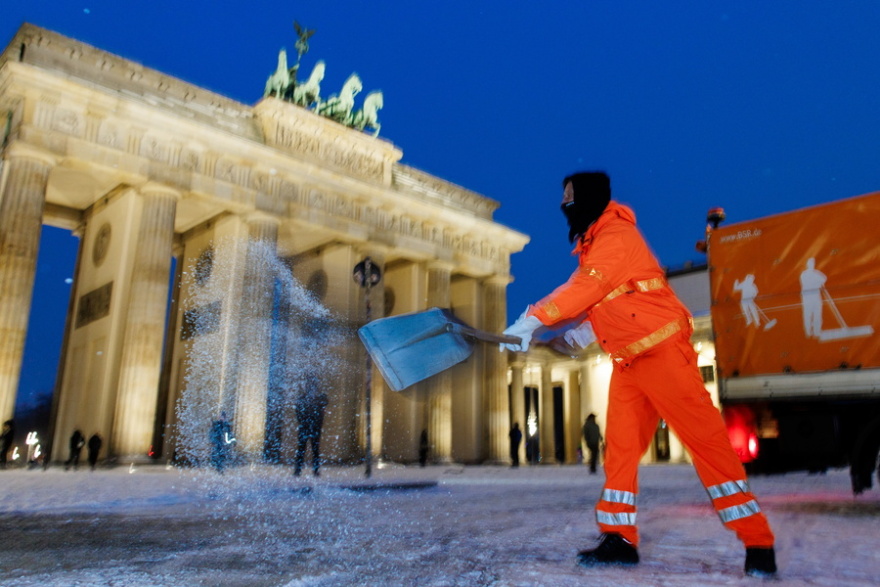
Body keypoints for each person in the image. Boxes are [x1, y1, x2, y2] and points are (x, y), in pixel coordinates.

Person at [500, 171, 777, 577]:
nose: (563, 205)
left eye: (569, 197)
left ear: (589, 198)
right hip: (629, 361)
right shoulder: (597, 243)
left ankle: (758, 542)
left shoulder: (616, 236)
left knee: (708, 447)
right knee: (621, 451)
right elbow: (610, 301)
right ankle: (619, 539)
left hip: (663, 352)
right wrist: (571, 340)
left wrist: (530, 320)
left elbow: (586, 287)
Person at [294, 372, 328, 477]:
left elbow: (298, 410)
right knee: (311, 449)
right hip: (311, 426)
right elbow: (298, 410)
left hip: (308, 426)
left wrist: (302, 421)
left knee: (305, 449)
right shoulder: (311, 398)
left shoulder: (311, 398)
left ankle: (300, 470)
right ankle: (311, 470)